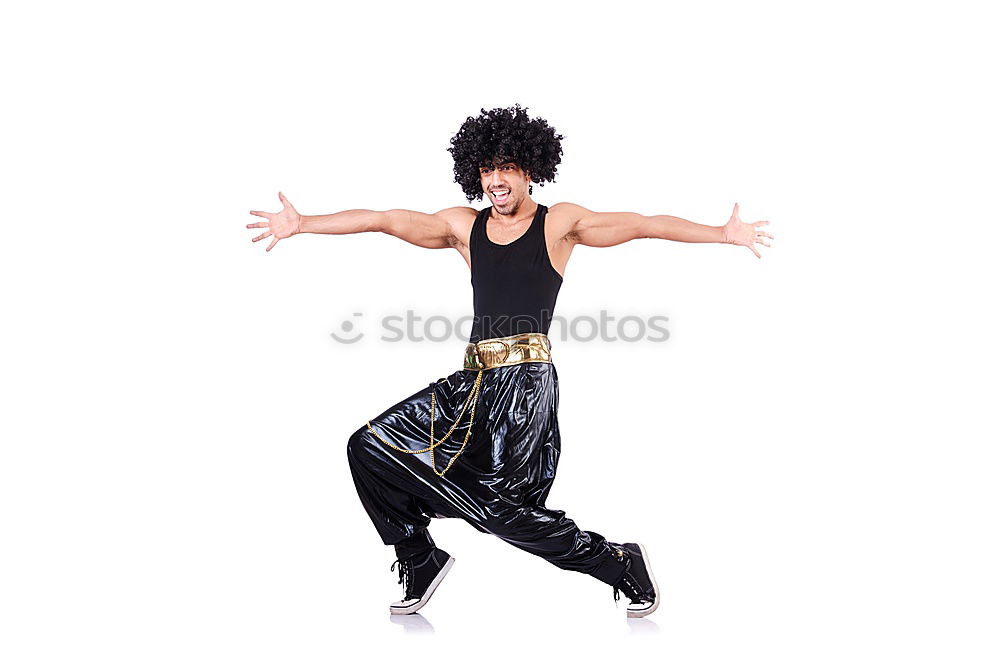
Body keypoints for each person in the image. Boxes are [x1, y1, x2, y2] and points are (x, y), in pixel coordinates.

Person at [246, 104, 772, 618]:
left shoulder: (557, 224)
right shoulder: (462, 226)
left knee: (502, 510)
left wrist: (722, 234)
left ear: (529, 170)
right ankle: (418, 556)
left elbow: (641, 224)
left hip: (524, 386)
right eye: (488, 169)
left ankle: (617, 561)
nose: (496, 179)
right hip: (471, 383)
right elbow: (385, 219)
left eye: (507, 169)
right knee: (368, 447)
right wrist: (304, 224)